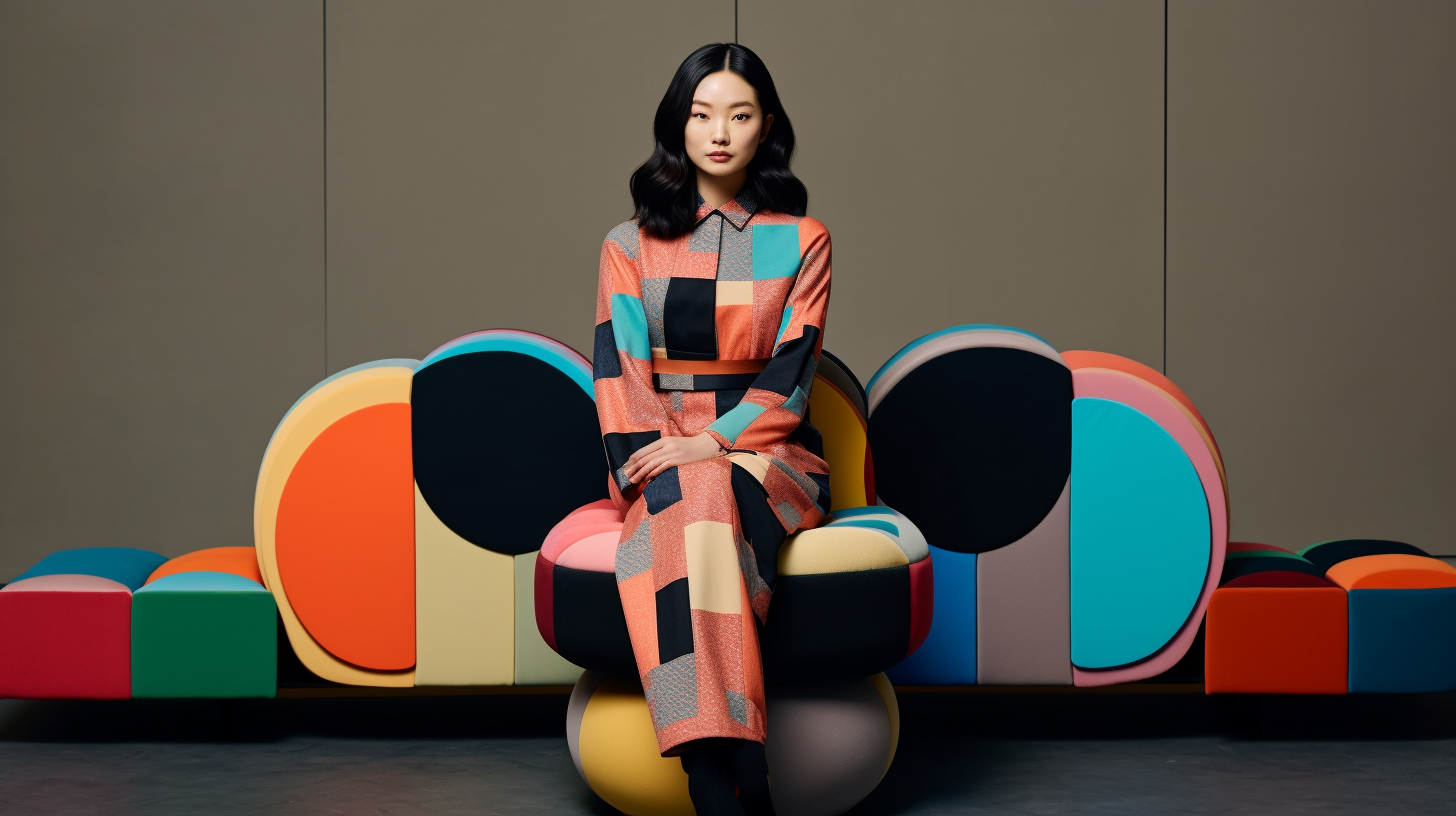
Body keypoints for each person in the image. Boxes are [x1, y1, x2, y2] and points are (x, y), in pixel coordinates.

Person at [591, 42, 832, 816]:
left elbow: (792, 372)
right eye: (702, 115)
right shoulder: (627, 246)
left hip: (769, 451)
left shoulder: (802, 240)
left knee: (702, 494)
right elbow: (619, 374)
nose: (719, 132)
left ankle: (707, 769)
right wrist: (669, 450)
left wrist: (716, 440)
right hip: (657, 443)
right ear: (677, 126)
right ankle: (735, 767)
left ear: (767, 128)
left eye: (740, 114)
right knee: (689, 496)